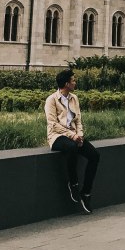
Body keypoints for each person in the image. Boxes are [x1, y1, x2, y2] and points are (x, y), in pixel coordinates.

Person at [45, 69, 100, 214]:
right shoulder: (51, 100)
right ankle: (73, 183)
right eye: (73, 80)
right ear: (66, 83)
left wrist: (80, 135)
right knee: (71, 148)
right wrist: (72, 136)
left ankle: (86, 193)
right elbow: (53, 124)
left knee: (94, 155)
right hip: (57, 136)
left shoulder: (74, 98)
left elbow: (78, 120)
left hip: (74, 136)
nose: (75, 82)